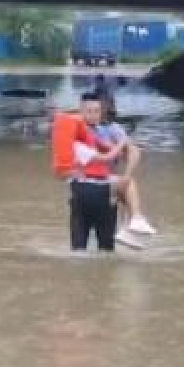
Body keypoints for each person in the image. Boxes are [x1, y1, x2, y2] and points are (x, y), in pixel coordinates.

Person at [53, 93, 127, 252]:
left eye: (97, 111)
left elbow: (119, 155)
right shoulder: (75, 139)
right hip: (83, 194)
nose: (93, 115)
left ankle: (135, 218)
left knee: (107, 250)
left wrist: (122, 147)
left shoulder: (106, 132)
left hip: (105, 194)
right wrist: (121, 143)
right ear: (81, 112)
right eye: (89, 111)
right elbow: (108, 156)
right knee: (78, 249)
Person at [91, 102, 157, 238]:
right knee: (128, 184)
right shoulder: (110, 129)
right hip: (95, 180)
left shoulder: (111, 128)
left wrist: (126, 174)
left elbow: (133, 151)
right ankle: (134, 219)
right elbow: (132, 151)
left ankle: (128, 226)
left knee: (124, 188)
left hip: (95, 181)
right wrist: (126, 174)